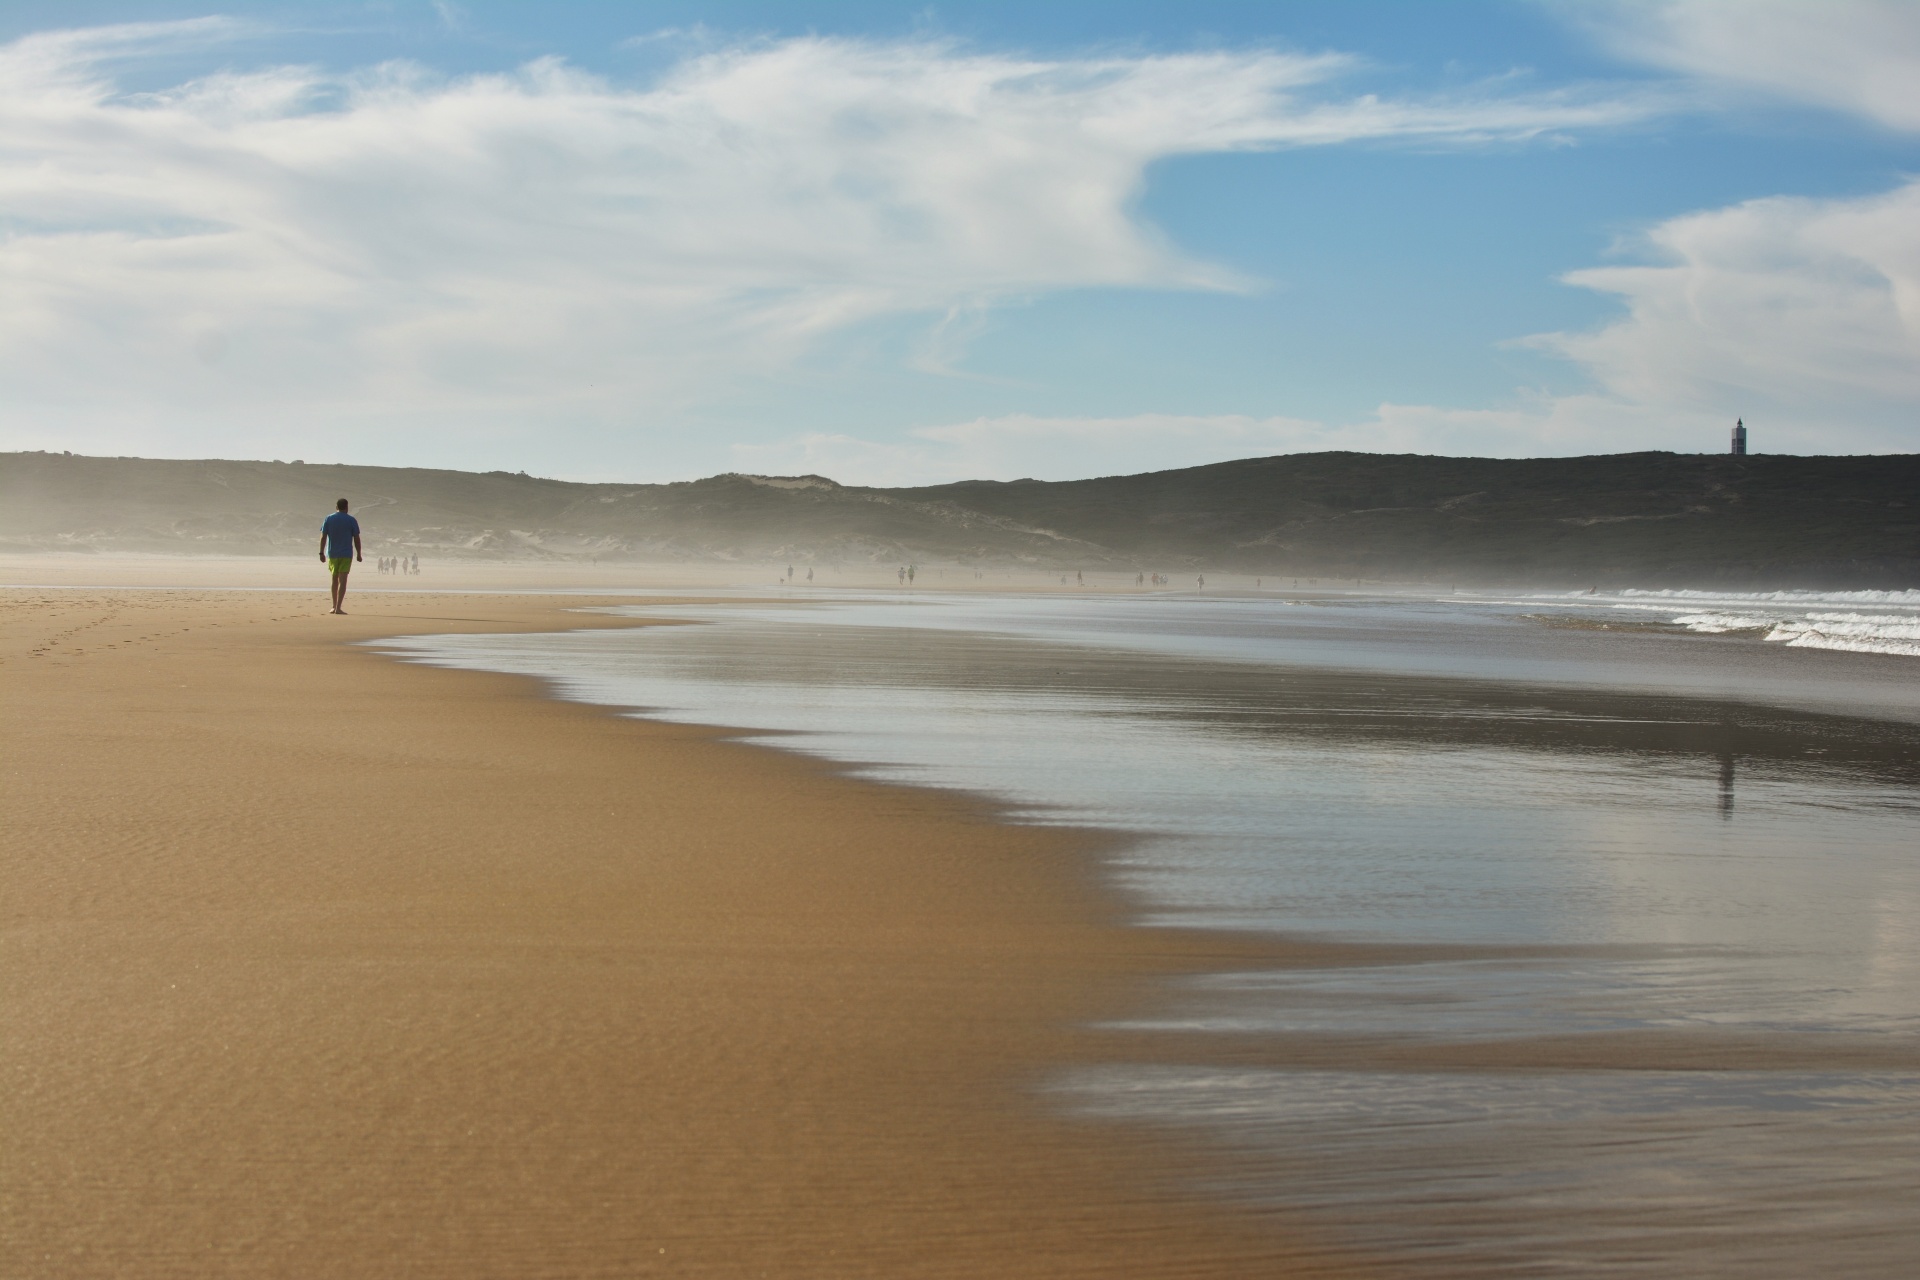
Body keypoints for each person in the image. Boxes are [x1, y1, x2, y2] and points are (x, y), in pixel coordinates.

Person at [319, 498, 362, 614]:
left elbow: (323, 536)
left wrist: (321, 552)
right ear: (346, 507)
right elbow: (356, 538)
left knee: (334, 579)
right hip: (346, 554)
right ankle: (338, 607)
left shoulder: (329, 518)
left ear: (336, 507)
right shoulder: (351, 520)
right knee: (343, 581)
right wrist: (359, 554)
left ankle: (333, 606)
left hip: (332, 553)